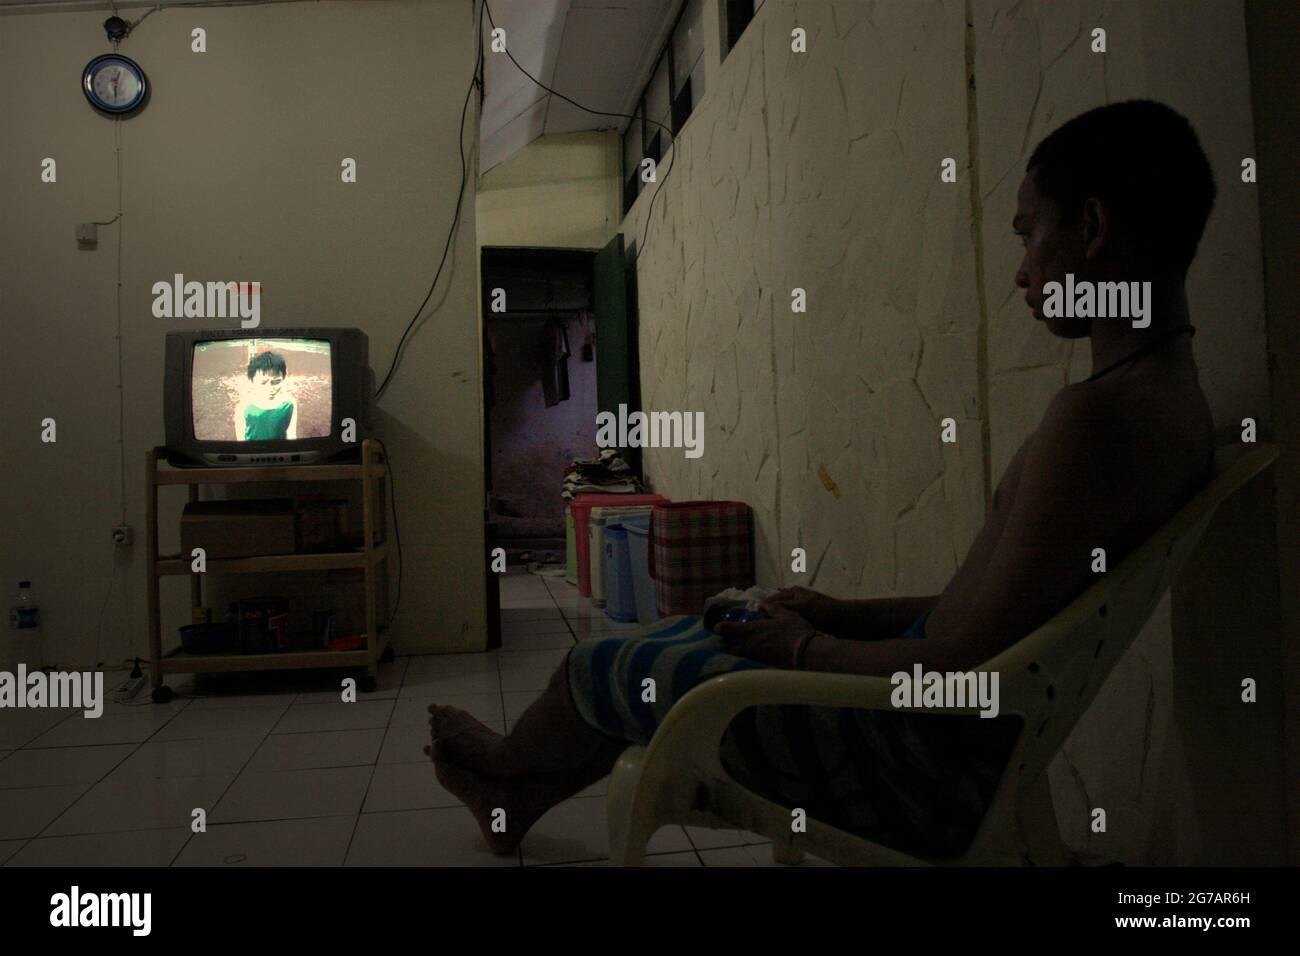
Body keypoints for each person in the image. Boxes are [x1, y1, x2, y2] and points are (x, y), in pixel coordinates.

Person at [426, 100, 1218, 858]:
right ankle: (515, 799)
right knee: (704, 625)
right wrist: (839, 615)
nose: (1021, 274)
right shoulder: (1168, 405)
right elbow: (996, 616)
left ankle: (504, 771)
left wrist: (805, 648)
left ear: (1091, 228)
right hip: (943, 730)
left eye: (1028, 235)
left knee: (597, 666)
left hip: (909, 763)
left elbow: (962, 666)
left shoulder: (1094, 423)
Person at [234, 351, 297, 441]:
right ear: (252, 381)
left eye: (276, 382)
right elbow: (240, 438)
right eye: (263, 383)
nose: (270, 388)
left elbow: (291, 434)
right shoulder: (244, 406)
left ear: (283, 379)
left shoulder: (289, 403)